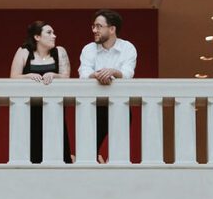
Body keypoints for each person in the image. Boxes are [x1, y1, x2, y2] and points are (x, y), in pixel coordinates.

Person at [78, 10, 136, 162]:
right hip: (93, 107)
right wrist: (96, 75)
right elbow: (84, 73)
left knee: (119, 152)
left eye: (98, 26)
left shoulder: (128, 48)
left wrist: (114, 72)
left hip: (120, 106)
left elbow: (127, 74)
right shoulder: (88, 49)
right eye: (93, 26)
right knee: (88, 150)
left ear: (112, 29)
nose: (94, 30)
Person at [9, 18, 69, 164]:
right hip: (29, 111)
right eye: (49, 32)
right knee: (31, 151)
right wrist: (28, 76)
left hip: (55, 111)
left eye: (53, 32)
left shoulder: (59, 52)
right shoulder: (24, 52)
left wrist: (54, 75)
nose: (54, 35)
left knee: (58, 151)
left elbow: (66, 78)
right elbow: (13, 77)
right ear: (37, 37)